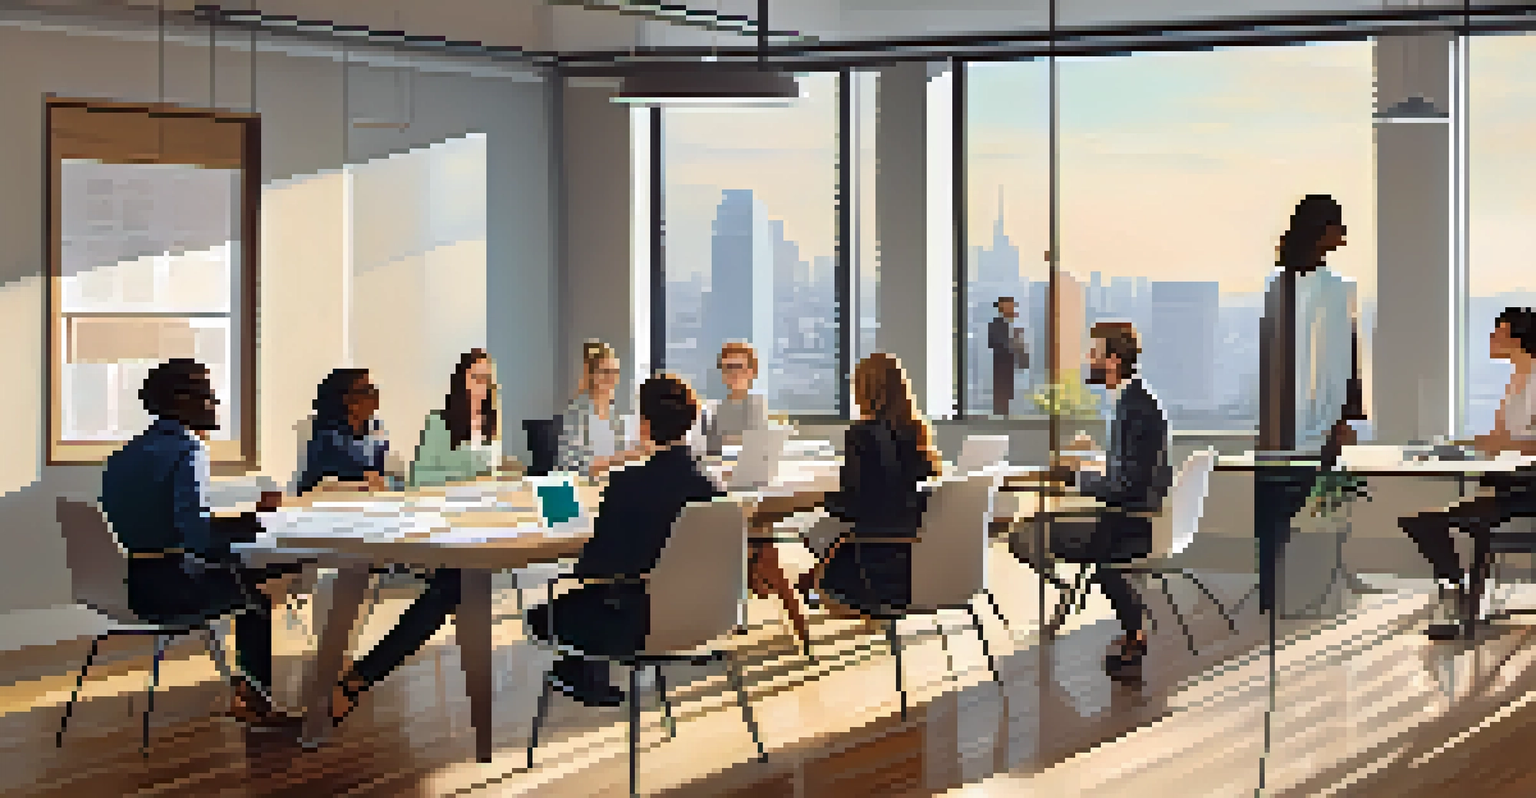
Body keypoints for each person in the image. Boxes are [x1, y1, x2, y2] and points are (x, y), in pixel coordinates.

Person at [99, 359, 293, 725]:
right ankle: (254, 700)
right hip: (174, 589)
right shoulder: (189, 449)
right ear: (179, 399)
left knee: (252, 578)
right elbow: (199, 540)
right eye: (206, 394)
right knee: (258, 594)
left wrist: (239, 524)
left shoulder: (125, 454)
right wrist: (255, 523)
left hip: (134, 584)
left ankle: (247, 689)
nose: (215, 401)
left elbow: (166, 526)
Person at [527, 374, 723, 706]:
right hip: (706, 619)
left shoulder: (626, 485)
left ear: (644, 426)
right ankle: (583, 674)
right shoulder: (713, 487)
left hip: (636, 624)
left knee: (543, 614)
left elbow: (596, 567)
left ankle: (581, 675)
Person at [1011, 322, 1172, 676]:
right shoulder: (1136, 401)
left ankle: (1077, 598)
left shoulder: (1134, 408)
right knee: (1039, 531)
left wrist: (1074, 476)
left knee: (1024, 535)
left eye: (1095, 354)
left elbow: (1126, 484)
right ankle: (1082, 599)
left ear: (1113, 361)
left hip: (1128, 525)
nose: (1089, 359)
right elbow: (1131, 469)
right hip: (1129, 517)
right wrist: (1094, 460)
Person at [1255, 194, 1364, 620]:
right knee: (1307, 508)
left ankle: (1281, 595)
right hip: (1306, 427)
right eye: (1338, 225)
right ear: (1323, 232)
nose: (1344, 234)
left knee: (1287, 513)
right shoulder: (1332, 290)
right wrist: (1344, 417)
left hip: (1285, 427)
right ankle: (1305, 592)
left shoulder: (1280, 287)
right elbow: (1344, 360)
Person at [1399, 307, 1536, 639]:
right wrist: (1450, 445)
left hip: (1526, 489)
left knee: (1426, 522)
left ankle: (1462, 601)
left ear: (1515, 337)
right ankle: (1463, 598)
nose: (1491, 338)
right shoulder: (1517, 379)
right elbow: (1498, 438)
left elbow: (1520, 443)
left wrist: (1504, 446)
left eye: (1497, 331)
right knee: (1421, 520)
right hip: (1505, 484)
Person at [800, 353, 942, 616]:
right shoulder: (916, 430)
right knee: (819, 532)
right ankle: (811, 581)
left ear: (865, 390)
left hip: (872, 550)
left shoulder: (861, 434)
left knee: (811, 531)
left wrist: (820, 500)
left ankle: (818, 585)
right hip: (910, 547)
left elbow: (856, 502)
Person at [410, 348, 505, 488]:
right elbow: (419, 476)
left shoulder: (491, 423)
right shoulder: (438, 423)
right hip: (448, 504)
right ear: (462, 381)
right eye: (477, 378)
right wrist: (464, 478)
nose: (482, 385)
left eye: (486, 379)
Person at [557, 340, 651, 479]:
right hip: (585, 487)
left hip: (613, 485)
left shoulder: (617, 416)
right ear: (592, 375)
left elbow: (620, 461)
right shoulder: (575, 414)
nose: (611, 377)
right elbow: (570, 466)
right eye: (606, 371)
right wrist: (617, 459)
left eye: (615, 372)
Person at [295, 368, 392, 495]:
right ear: (349, 400)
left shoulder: (374, 431)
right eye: (368, 390)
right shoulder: (327, 439)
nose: (376, 395)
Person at [702, 340, 769, 455]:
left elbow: (758, 443)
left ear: (752, 371)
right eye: (728, 367)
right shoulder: (713, 411)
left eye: (738, 366)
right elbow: (710, 447)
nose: (734, 373)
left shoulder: (759, 405)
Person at [988, 297, 1029, 417]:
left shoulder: (1012, 325)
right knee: (1002, 393)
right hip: (1001, 366)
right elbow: (995, 342)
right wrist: (1013, 342)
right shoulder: (996, 324)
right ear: (1002, 307)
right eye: (1009, 306)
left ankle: (1005, 415)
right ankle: (1001, 417)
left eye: (1012, 306)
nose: (1012, 308)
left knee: (1008, 393)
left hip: (1010, 366)